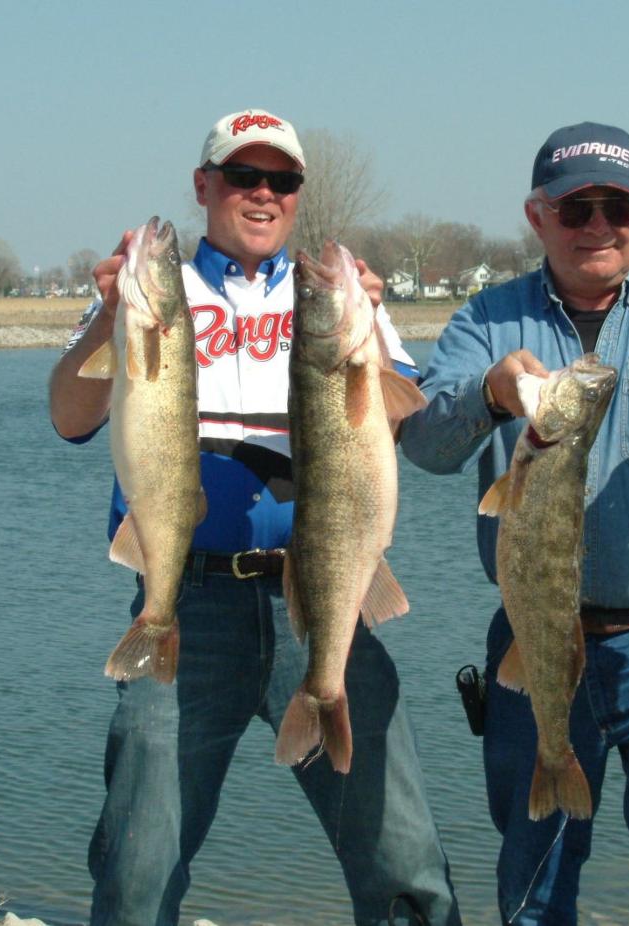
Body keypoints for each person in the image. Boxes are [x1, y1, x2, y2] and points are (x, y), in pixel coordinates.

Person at [49, 108, 460, 926]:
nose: (264, 194)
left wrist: (373, 331)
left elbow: (413, 423)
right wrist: (106, 316)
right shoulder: (155, 290)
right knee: (139, 862)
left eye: (283, 180)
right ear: (205, 187)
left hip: (325, 594)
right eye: (244, 176)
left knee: (403, 856)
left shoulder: (338, 297)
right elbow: (68, 417)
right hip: (189, 607)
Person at [399, 122, 629, 925]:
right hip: (533, 637)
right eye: (576, 206)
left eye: (616, 205)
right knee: (534, 882)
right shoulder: (487, 318)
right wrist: (486, 392)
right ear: (536, 216)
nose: (598, 224)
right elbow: (423, 444)